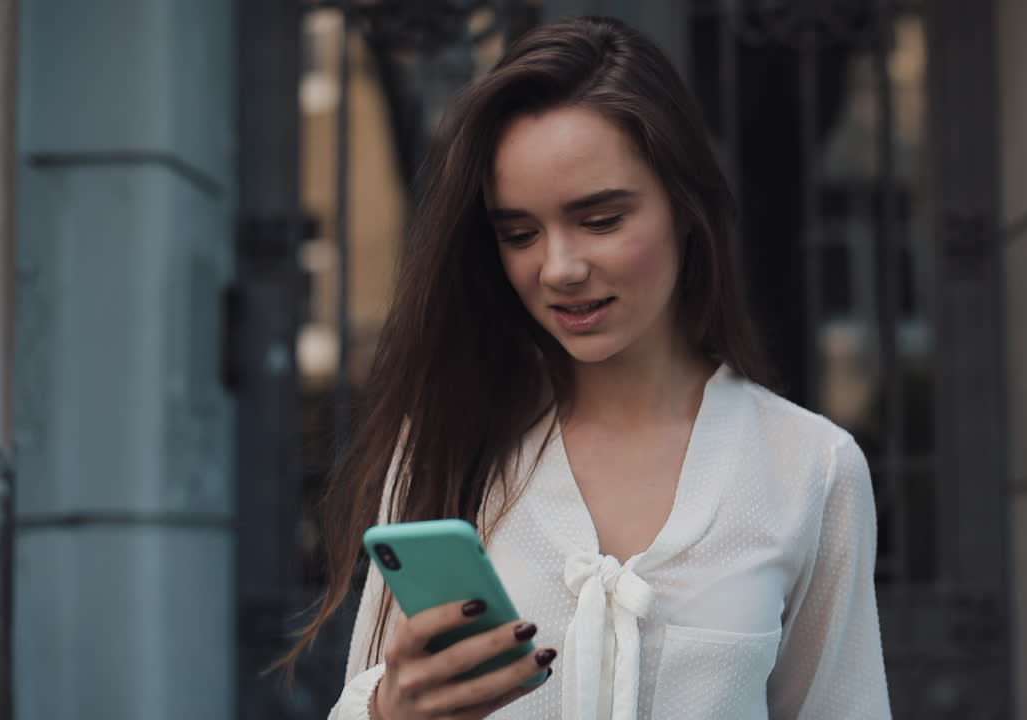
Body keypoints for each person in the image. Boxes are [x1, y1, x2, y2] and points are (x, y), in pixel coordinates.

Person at [287, 15, 890, 720]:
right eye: (519, 234)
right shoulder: (449, 443)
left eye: (601, 221)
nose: (559, 269)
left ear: (685, 208)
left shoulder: (809, 468)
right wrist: (390, 710)